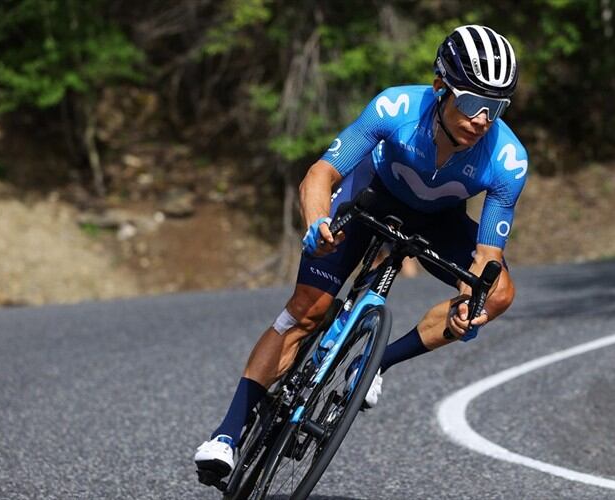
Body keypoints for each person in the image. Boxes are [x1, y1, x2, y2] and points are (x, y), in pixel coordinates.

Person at [194, 24, 528, 479]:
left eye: (496, 107)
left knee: (498, 293)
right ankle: (227, 434)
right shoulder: (396, 107)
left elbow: (487, 256)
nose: (483, 119)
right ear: (440, 87)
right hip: (369, 196)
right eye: (472, 103)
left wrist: (471, 303)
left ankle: (374, 364)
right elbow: (321, 174)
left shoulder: (508, 159)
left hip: (438, 219)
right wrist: (317, 223)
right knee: (308, 310)